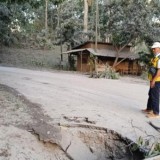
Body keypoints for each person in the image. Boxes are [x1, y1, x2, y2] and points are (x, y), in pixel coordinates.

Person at [142, 42, 160, 118]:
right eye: (153, 48)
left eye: (154, 48)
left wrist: (153, 81)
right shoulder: (154, 58)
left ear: (159, 49)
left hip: (157, 80)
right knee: (150, 94)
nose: (153, 50)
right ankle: (149, 109)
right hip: (152, 79)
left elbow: (159, 71)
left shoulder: (159, 59)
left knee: (155, 96)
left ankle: (156, 113)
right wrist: (151, 80)